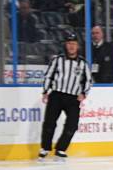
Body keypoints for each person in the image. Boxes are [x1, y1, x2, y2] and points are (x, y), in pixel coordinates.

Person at [39, 32, 91, 161]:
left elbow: (88, 80)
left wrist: (84, 93)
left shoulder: (83, 63)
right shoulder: (57, 60)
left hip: (73, 98)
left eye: (73, 44)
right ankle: (45, 148)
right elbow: (48, 76)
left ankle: (61, 149)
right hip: (56, 95)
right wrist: (45, 91)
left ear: (77, 46)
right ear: (65, 45)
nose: (71, 46)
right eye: (69, 44)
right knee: (49, 123)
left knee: (72, 124)